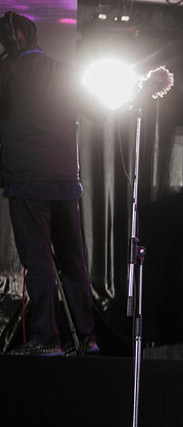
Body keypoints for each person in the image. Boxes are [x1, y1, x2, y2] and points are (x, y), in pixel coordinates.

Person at [0, 11, 98, 356]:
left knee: (38, 262)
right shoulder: (65, 71)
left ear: (12, 41)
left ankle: (46, 337)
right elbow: (98, 111)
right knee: (72, 262)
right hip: (65, 182)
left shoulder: (8, 71)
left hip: (29, 183)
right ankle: (86, 338)